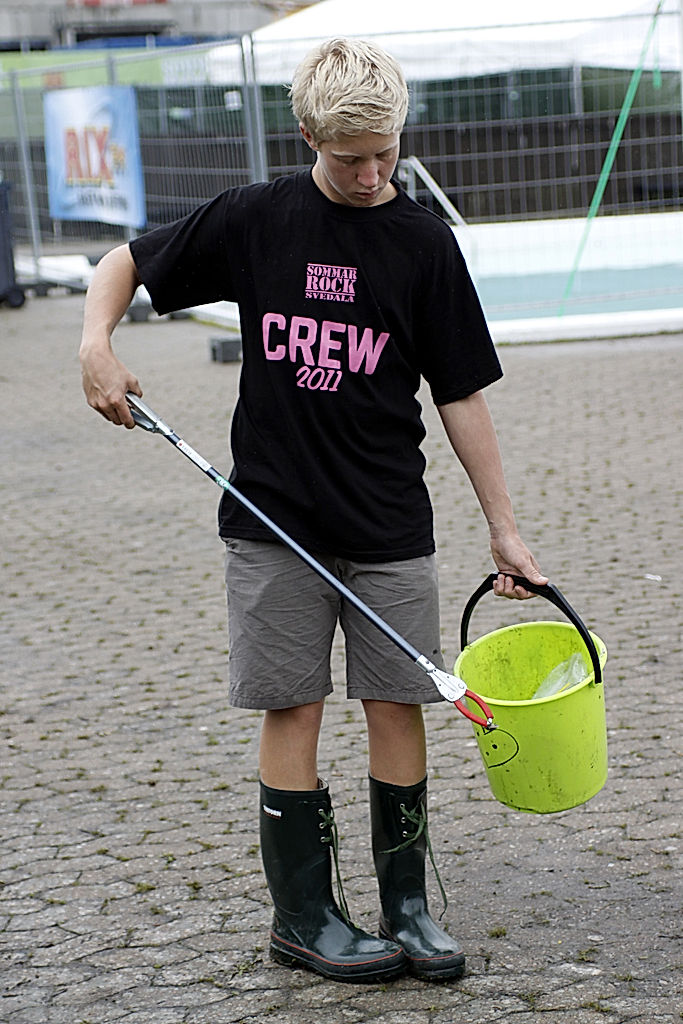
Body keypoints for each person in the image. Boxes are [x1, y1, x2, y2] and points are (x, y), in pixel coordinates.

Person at [80, 38, 547, 984]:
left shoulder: (421, 242)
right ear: (307, 138)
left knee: (398, 704)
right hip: (273, 524)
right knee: (291, 707)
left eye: (384, 153)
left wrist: (503, 523)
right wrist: (95, 343)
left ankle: (407, 906)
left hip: (387, 525)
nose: (372, 174)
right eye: (350, 160)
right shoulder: (256, 220)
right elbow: (119, 263)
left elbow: (460, 392)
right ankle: (303, 917)